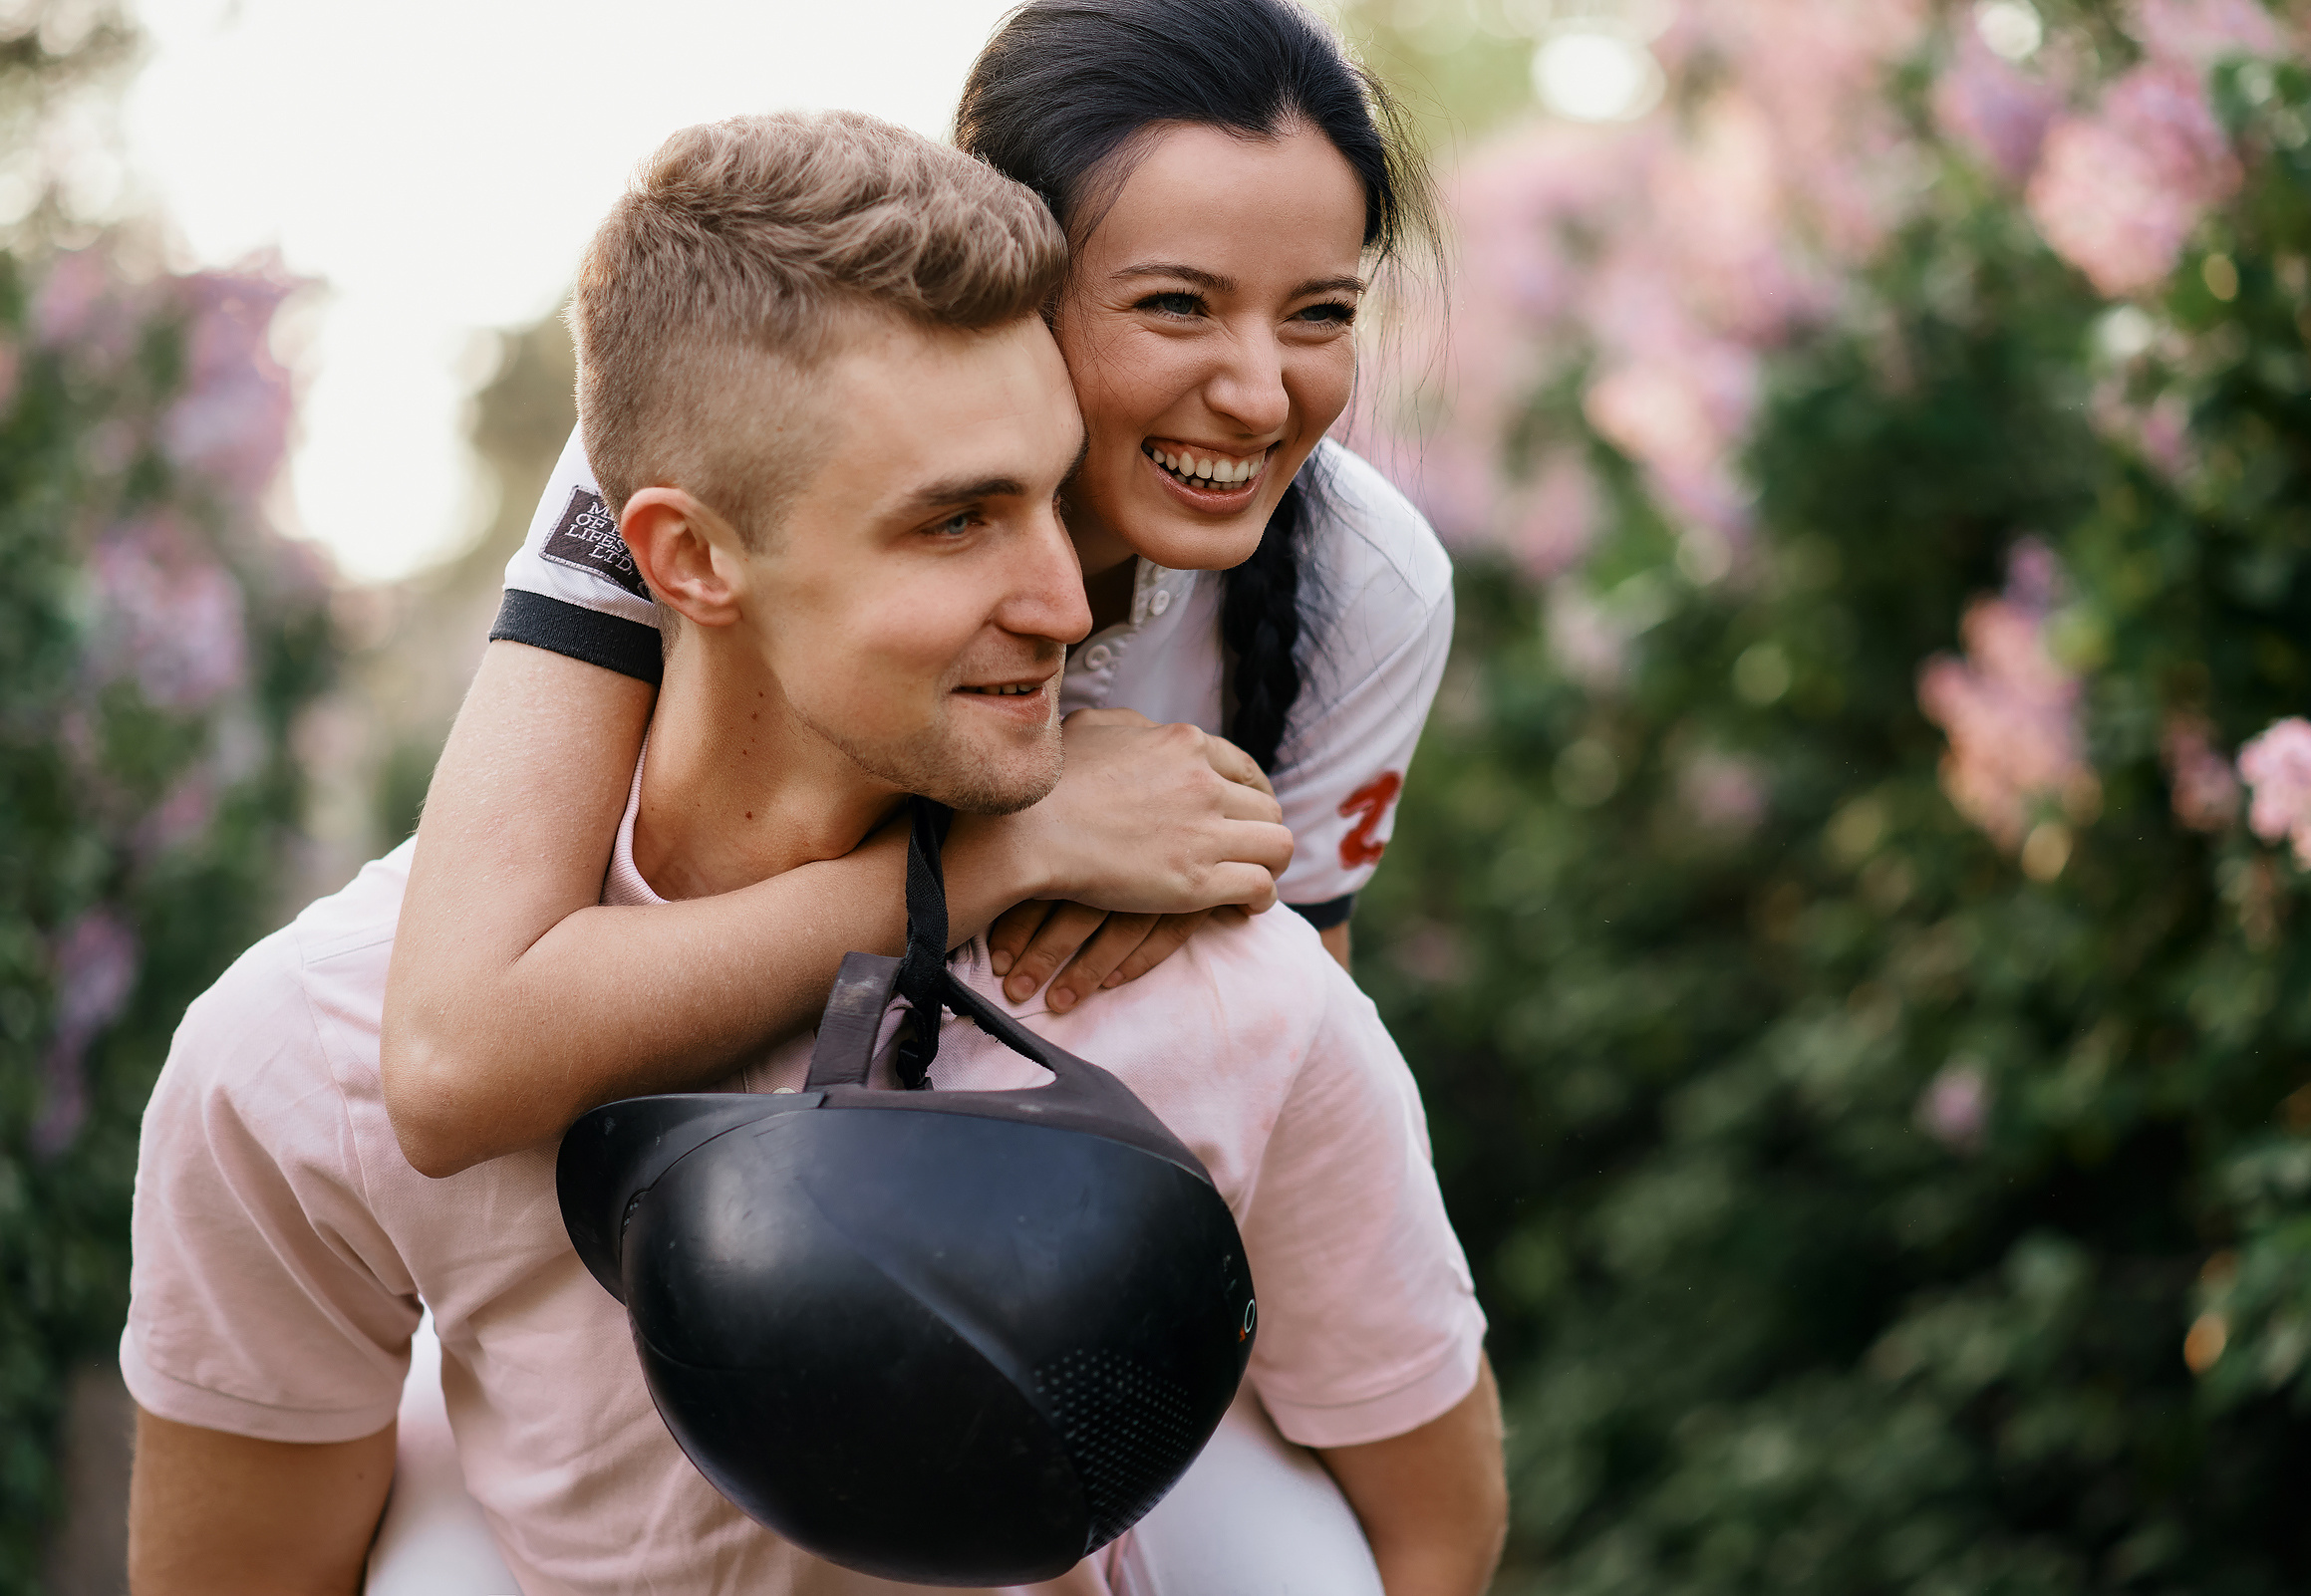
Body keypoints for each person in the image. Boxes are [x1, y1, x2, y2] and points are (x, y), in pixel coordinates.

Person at [123, 111, 1505, 1596]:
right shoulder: (299, 1056)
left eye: (1060, 499)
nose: (1067, 602)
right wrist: (959, 871)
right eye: (958, 520)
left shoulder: (1238, 999)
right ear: (688, 559)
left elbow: (1431, 1534)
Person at [381, 0, 1455, 1182]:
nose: (1260, 395)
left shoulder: (1370, 582)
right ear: (1018, 271)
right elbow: (452, 1062)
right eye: (1176, 303)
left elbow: (1302, 1086)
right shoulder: (722, 446)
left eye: (1322, 313)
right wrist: (1003, 858)